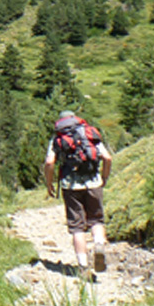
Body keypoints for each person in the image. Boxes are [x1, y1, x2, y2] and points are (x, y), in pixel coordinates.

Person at [43, 110, 112, 276]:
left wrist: (49, 183)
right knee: (96, 220)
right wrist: (104, 177)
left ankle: (83, 266)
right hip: (93, 182)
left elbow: (49, 162)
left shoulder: (58, 138)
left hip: (70, 186)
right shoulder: (89, 133)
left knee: (77, 227)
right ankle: (99, 245)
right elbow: (107, 158)